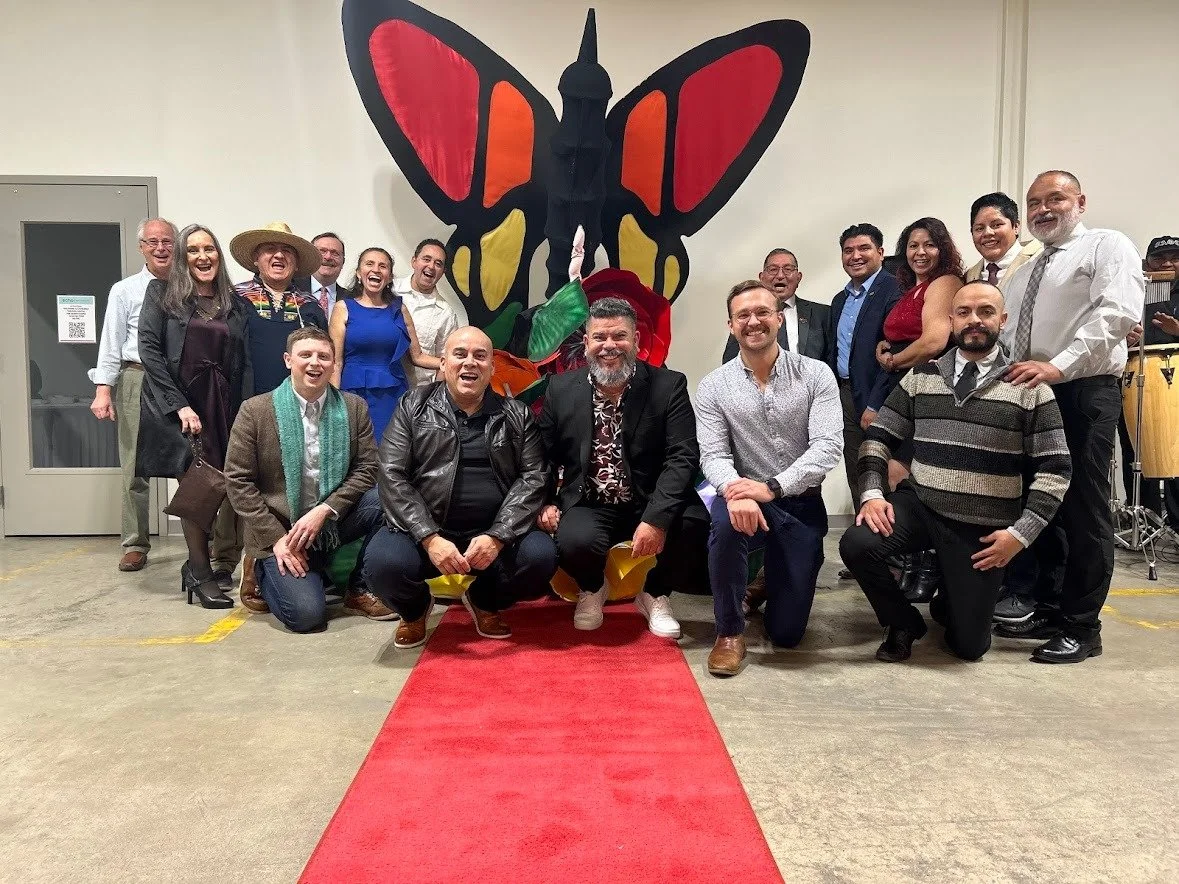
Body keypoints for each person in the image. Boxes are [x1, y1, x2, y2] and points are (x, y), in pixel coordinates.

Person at [841, 281, 1071, 662]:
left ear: (1003, 319)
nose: (974, 320)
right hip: (921, 505)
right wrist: (872, 494)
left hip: (982, 526)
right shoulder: (922, 377)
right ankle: (903, 622)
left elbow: (1056, 468)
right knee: (857, 544)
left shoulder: (1029, 388)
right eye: (964, 312)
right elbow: (878, 437)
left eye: (985, 312)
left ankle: (951, 593)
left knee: (968, 648)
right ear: (951, 320)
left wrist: (1021, 535)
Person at [996, 170, 1144, 663]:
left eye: (1054, 198)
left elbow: (1117, 314)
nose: (1043, 209)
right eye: (1034, 202)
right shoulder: (1028, 269)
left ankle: (1083, 627)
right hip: (1034, 395)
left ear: (1079, 201)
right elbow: (1007, 333)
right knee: (1046, 506)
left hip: (1082, 390)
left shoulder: (1107, 246)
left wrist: (1057, 366)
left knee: (1083, 508)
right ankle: (1052, 604)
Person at [365, 326, 557, 646]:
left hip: (492, 530)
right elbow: (392, 475)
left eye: (480, 356)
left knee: (541, 556)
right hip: (425, 529)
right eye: (460, 354)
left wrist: (498, 536)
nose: (470, 362)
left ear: (492, 367)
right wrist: (429, 537)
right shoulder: (413, 405)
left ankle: (485, 601)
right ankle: (414, 611)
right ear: (443, 363)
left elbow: (534, 477)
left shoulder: (517, 414)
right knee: (382, 564)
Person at [538, 297, 709, 639]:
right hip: (589, 501)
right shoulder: (561, 389)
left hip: (648, 497)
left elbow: (683, 455)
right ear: (585, 343)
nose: (609, 346)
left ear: (636, 341)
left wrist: (657, 518)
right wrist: (545, 501)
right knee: (573, 541)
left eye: (619, 336)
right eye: (600, 337)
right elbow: (542, 453)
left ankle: (655, 593)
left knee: (694, 524)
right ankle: (591, 588)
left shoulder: (668, 385)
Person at [697, 281, 842, 676]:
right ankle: (728, 632)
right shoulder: (713, 386)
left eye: (762, 312)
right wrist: (735, 490)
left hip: (800, 502)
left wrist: (773, 486)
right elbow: (713, 455)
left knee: (787, 634)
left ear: (779, 318)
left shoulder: (816, 375)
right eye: (743, 315)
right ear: (731, 325)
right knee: (725, 528)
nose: (753, 321)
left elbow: (828, 448)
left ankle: (763, 584)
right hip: (746, 500)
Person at [224, 327, 390, 633]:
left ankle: (357, 588)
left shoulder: (353, 408)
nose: (315, 363)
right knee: (307, 616)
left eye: (323, 356)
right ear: (288, 360)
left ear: (333, 364)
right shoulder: (256, 410)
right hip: (282, 530)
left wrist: (325, 510)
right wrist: (276, 540)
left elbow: (368, 468)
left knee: (386, 499)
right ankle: (261, 566)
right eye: (306, 355)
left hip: (330, 523)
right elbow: (238, 481)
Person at [135, 224, 251, 609]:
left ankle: (195, 565)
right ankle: (201, 573)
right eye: (194, 250)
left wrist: (243, 411)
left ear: (218, 255)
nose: (203, 257)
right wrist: (179, 405)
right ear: (184, 257)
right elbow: (149, 350)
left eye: (210, 249)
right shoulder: (162, 294)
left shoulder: (234, 303)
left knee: (219, 486)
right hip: (182, 403)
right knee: (197, 485)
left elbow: (242, 362)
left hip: (223, 401)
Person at [229, 221, 329, 612]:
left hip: (302, 404)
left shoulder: (308, 305)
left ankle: (295, 554)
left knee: (291, 481)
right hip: (252, 403)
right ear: (256, 258)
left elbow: (323, 352)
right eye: (270, 250)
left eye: (286, 252)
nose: (278, 256)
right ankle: (252, 559)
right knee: (252, 481)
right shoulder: (236, 300)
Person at [874, 218, 965, 601]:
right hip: (905, 388)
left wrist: (894, 361)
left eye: (929, 244)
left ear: (943, 248)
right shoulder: (912, 289)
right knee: (899, 475)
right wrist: (885, 348)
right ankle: (912, 561)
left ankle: (928, 565)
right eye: (912, 245)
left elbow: (933, 341)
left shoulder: (946, 283)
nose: (920, 252)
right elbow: (902, 334)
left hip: (930, 388)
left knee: (915, 476)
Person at [88, 217, 175, 573]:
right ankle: (135, 543)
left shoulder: (188, 288)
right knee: (133, 467)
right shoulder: (124, 290)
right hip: (136, 379)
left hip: (180, 383)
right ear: (141, 247)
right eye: (152, 242)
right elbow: (111, 342)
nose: (160, 248)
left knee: (193, 462)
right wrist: (102, 390)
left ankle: (205, 540)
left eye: (167, 241)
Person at [826, 223, 903, 577]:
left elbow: (895, 353)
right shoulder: (841, 299)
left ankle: (893, 553)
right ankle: (866, 551)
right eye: (848, 250)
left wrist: (875, 404)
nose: (856, 256)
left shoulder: (893, 290)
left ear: (880, 252)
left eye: (864, 249)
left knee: (884, 471)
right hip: (843, 394)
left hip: (878, 398)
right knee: (858, 470)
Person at [329, 247, 441, 439]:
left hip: (392, 394)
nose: (376, 269)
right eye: (369, 264)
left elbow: (417, 356)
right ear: (358, 273)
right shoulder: (343, 308)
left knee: (390, 454)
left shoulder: (400, 309)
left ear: (389, 277)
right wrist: (331, 404)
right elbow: (335, 362)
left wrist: (449, 362)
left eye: (383, 266)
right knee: (355, 452)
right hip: (352, 393)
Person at [1117, 235, 1179, 529]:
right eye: (1159, 258)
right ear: (1147, 263)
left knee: (1174, 450)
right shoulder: (1135, 291)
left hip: (1173, 379)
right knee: (1135, 449)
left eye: (1174, 257)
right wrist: (1124, 336)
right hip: (1134, 375)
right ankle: (1143, 519)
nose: (1166, 263)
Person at [721, 248, 830, 362]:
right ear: (761, 277)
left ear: (799, 277)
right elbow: (730, 362)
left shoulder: (823, 314)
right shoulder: (746, 318)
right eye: (773, 270)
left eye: (788, 269)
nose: (780, 275)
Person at [394, 239, 462, 387]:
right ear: (414, 261)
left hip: (418, 392)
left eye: (438, 264)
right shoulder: (390, 290)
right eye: (426, 259)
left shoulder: (446, 313)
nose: (431, 266)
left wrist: (432, 397)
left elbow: (446, 361)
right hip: (383, 386)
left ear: (443, 272)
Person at [965, 192, 1042, 288]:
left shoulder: (1040, 261)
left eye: (996, 225)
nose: (987, 233)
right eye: (979, 228)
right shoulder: (969, 276)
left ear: (1016, 227)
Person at [294, 232, 351, 316]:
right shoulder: (293, 289)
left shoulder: (351, 299)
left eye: (335, 253)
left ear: (343, 262)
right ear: (311, 257)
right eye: (322, 251)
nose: (328, 257)